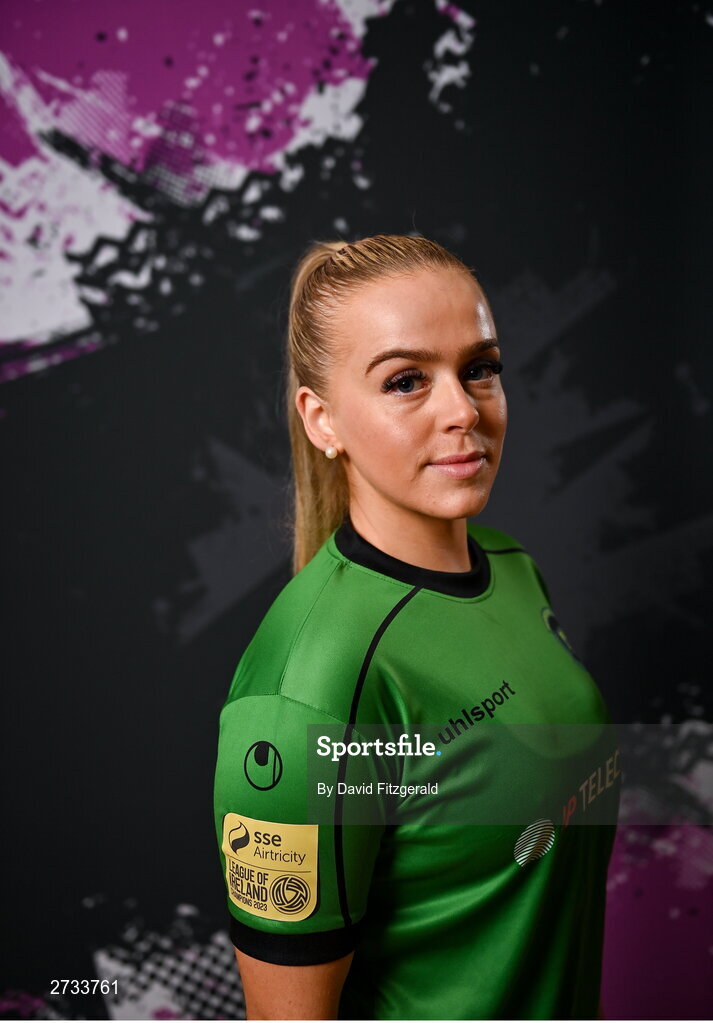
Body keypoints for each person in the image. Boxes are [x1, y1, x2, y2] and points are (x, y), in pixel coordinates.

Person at [213, 234, 621, 1020]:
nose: (463, 410)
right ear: (322, 419)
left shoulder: (511, 567)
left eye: (479, 368)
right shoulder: (312, 683)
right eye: (405, 380)